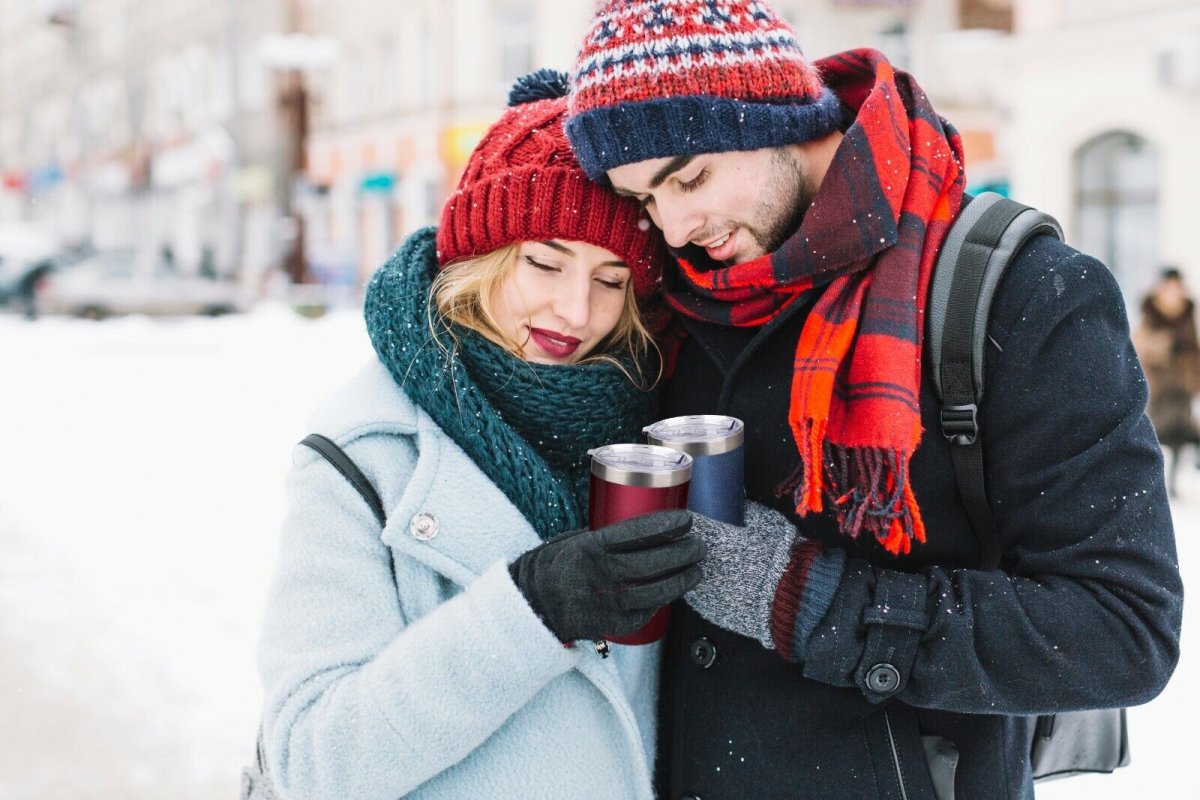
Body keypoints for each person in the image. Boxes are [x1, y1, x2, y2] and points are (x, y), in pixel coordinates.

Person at [562, 2, 1183, 798]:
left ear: (776, 116)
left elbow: (1123, 632)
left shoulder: (1023, 294)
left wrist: (815, 603)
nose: (676, 227)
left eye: (691, 176)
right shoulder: (668, 305)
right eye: (645, 200)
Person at [254, 74, 706, 800]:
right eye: (545, 262)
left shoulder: (643, 433)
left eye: (611, 280)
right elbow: (313, 759)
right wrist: (529, 610)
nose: (574, 310)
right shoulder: (365, 454)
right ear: (481, 257)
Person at [1134, 266, 1200, 495]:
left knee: (1182, 438)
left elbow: (1194, 349)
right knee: (1156, 437)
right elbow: (1141, 344)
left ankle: (1171, 486)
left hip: (1182, 387)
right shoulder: (1151, 310)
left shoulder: (1188, 313)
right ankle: (1154, 487)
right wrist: (1168, 344)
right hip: (1159, 388)